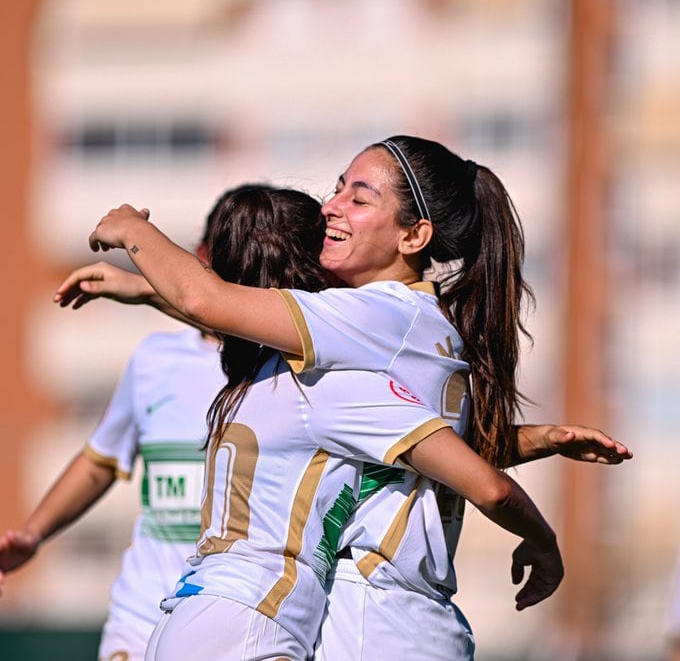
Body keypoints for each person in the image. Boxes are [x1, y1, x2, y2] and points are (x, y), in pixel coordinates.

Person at [54, 135, 632, 659]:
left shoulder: (367, 320)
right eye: (337, 188)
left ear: (414, 236)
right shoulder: (418, 328)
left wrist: (134, 232)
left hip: (367, 619)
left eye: (359, 197)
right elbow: (434, 454)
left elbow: (211, 301)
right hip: (399, 619)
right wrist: (535, 439)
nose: (330, 206)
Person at [0, 187, 251, 661]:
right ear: (198, 257)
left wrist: (141, 288)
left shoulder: (285, 367)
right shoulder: (156, 359)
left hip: (231, 624)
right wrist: (33, 534)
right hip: (142, 614)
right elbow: (100, 460)